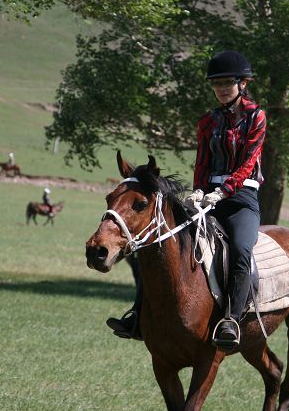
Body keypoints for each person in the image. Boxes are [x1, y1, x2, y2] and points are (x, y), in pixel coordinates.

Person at [107, 50, 266, 353]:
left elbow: (249, 160)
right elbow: (203, 161)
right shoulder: (208, 121)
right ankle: (138, 316)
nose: (221, 89)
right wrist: (199, 190)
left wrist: (226, 189)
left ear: (243, 84)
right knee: (155, 245)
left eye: (227, 83)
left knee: (242, 250)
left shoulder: (256, 116)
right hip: (208, 197)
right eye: (216, 84)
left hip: (242, 197)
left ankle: (231, 320)